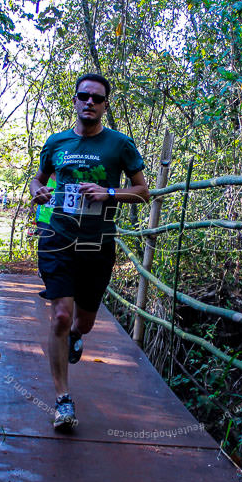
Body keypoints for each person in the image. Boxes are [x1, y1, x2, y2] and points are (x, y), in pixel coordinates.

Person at [29, 73, 149, 431]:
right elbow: (38, 178)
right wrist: (38, 190)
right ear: (76, 100)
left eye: (97, 98)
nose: (90, 103)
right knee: (61, 318)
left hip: (97, 243)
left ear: (104, 104)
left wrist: (108, 193)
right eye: (84, 96)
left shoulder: (120, 145)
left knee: (82, 323)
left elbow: (143, 191)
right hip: (57, 236)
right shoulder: (56, 142)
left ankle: (77, 337)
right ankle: (63, 401)